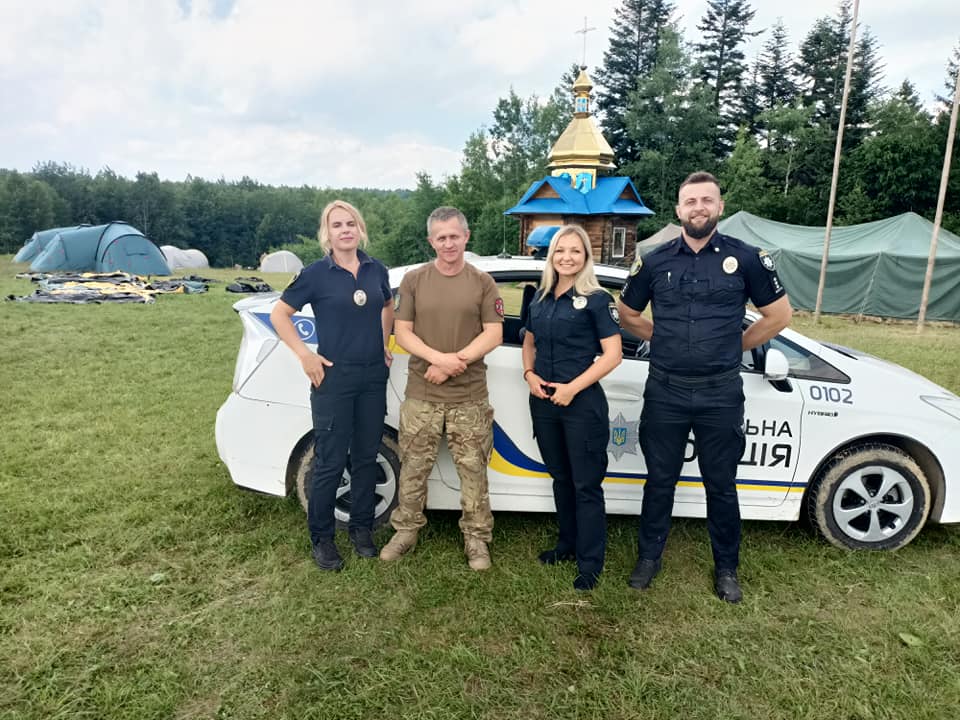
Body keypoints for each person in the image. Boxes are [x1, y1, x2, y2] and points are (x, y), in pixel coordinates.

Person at [617, 171, 792, 603]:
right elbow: (627, 314)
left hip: (720, 392)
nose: (698, 207)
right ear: (678, 211)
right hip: (666, 390)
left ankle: (727, 568)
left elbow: (778, 316)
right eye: (690, 201)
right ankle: (648, 559)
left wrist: (734, 345)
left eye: (706, 200)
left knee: (721, 484)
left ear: (719, 207)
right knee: (659, 481)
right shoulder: (655, 260)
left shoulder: (748, 258)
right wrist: (664, 339)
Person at [270, 200, 394, 572]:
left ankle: (360, 529)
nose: (345, 230)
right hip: (333, 378)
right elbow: (280, 314)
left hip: (372, 377)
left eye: (351, 223)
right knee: (329, 461)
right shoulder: (315, 274)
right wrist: (305, 356)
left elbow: (388, 307)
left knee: (366, 456)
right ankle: (322, 538)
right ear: (328, 233)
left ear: (360, 228)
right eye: (337, 224)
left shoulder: (376, 270)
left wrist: (385, 345)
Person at [379, 206, 503, 570]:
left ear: (466, 237)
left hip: (469, 397)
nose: (448, 243)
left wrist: (452, 363)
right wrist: (438, 359)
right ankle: (406, 531)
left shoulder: (482, 283)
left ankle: (477, 539)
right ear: (431, 241)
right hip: (422, 395)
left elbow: (494, 333)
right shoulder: (415, 281)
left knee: (473, 472)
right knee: (414, 467)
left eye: (454, 236)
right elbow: (402, 332)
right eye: (441, 237)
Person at [521, 225, 622, 591]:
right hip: (544, 402)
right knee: (561, 479)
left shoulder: (597, 299)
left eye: (575, 251)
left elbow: (613, 355)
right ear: (551, 256)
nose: (566, 257)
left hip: (581, 405)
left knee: (586, 485)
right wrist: (529, 374)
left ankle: (590, 562)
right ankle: (567, 544)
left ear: (586, 257)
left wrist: (573, 388)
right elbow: (528, 342)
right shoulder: (541, 296)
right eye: (560, 251)